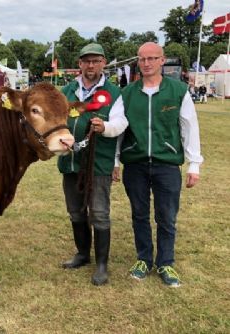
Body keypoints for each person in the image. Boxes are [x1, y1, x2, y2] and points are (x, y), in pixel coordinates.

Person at [119, 42, 203, 287]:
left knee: (166, 216)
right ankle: (143, 258)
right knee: (139, 215)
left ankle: (166, 262)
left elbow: (189, 128)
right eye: (142, 59)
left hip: (167, 164)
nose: (147, 63)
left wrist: (194, 164)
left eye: (152, 58)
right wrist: (115, 161)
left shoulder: (178, 91)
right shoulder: (127, 93)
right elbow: (119, 131)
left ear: (162, 60)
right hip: (135, 164)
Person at [58, 43, 127, 285]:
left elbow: (120, 124)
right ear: (79, 64)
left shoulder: (114, 93)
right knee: (75, 211)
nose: (91, 65)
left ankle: (101, 264)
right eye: (86, 61)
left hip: (99, 163)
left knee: (99, 213)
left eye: (96, 61)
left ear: (103, 63)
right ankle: (82, 254)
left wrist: (105, 127)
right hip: (71, 163)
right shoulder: (66, 91)